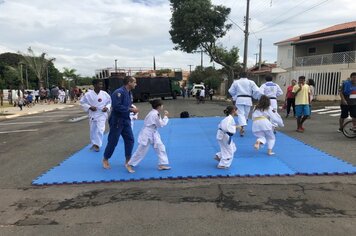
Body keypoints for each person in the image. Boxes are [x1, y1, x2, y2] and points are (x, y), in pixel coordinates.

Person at [102, 76, 138, 172]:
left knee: (130, 139)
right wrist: (131, 109)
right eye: (134, 82)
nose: (136, 84)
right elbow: (116, 106)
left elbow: (127, 104)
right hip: (117, 120)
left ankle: (128, 159)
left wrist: (132, 109)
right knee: (113, 141)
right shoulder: (118, 92)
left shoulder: (129, 93)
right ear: (129, 82)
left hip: (126, 119)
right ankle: (105, 159)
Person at [127, 99, 171, 173]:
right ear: (159, 106)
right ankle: (129, 164)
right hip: (147, 134)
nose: (163, 106)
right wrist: (166, 117)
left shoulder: (155, 113)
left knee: (161, 147)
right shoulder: (154, 114)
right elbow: (161, 125)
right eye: (162, 105)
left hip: (153, 133)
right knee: (141, 150)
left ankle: (162, 164)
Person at [80, 79, 111, 152]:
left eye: (101, 84)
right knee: (93, 130)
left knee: (100, 130)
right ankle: (94, 143)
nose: (101, 86)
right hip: (93, 114)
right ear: (94, 85)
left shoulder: (105, 94)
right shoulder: (88, 94)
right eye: (99, 84)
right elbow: (82, 102)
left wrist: (107, 107)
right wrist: (90, 107)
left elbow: (109, 102)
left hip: (102, 114)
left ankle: (97, 145)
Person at [228, 72, 260, 137]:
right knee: (246, 114)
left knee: (240, 113)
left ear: (240, 76)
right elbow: (257, 90)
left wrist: (235, 96)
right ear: (247, 76)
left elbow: (230, 91)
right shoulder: (251, 82)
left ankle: (242, 126)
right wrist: (254, 96)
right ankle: (243, 127)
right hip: (248, 99)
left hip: (239, 99)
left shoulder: (236, 82)